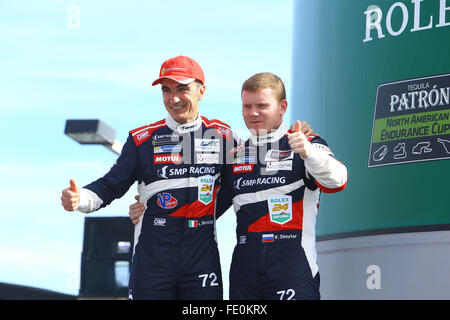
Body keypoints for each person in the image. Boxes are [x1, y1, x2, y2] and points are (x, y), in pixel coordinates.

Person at [129, 72, 347, 300]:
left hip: (292, 264)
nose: (253, 113)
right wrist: (149, 208)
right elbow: (204, 206)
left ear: (282, 107)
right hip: (245, 267)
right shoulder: (236, 155)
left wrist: (309, 153)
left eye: (262, 105)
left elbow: (338, 180)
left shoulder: (305, 143)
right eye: (247, 106)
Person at [61, 56, 233, 300]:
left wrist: (302, 141)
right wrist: (81, 199)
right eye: (166, 90)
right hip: (152, 260)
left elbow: (253, 176)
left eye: (182, 89)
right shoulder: (142, 140)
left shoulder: (224, 136)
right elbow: (111, 185)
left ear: (201, 91)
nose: (173, 99)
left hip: (201, 260)